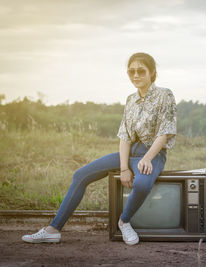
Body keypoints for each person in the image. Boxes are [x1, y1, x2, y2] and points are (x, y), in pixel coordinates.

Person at [21, 52, 177, 245]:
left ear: (152, 72)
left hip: (153, 154)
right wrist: (124, 168)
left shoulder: (165, 95)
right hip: (130, 153)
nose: (135, 75)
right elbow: (125, 136)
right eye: (131, 71)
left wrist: (147, 158)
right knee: (80, 175)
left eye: (140, 71)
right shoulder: (130, 100)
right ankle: (53, 229)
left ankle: (124, 221)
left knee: (143, 184)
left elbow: (165, 132)